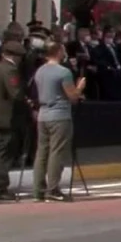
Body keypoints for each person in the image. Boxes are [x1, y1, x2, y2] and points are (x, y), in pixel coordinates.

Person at [32, 41, 85, 202]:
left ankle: (38, 189)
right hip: (59, 115)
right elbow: (73, 96)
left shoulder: (40, 71)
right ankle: (53, 189)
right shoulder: (63, 72)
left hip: (43, 114)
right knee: (57, 152)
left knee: (42, 152)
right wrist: (80, 87)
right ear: (58, 52)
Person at [0, 40, 27, 201]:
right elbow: (15, 93)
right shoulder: (10, 70)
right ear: (15, 57)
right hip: (4, 117)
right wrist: (26, 98)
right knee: (2, 153)